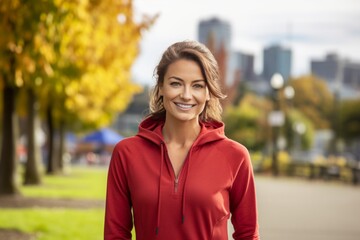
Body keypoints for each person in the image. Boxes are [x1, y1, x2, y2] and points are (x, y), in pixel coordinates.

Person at [104, 40, 260, 240]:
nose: (186, 95)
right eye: (176, 83)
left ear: (208, 93)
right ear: (160, 87)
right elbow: (115, 233)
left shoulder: (235, 156)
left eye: (197, 86)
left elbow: (248, 234)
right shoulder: (127, 153)